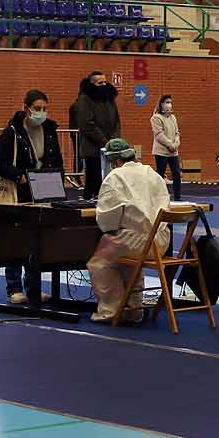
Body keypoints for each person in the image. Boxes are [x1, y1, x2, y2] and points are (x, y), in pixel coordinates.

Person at [0, 88, 64, 304]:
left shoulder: (50, 130)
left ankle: (34, 287)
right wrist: (18, 175)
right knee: (16, 240)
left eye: (45, 109)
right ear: (27, 109)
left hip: (43, 191)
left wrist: (58, 176)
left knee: (36, 242)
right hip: (18, 193)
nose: (41, 113)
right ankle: (14, 288)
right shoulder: (12, 132)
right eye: (37, 109)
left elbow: (57, 158)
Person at [86, 138, 172, 325]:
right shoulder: (152, 173)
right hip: (161, 243)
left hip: (137, 243)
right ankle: (134, 308)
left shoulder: (115, 177)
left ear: (115, 161)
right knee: (131, 261)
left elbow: (107, 222)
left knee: (100, 262)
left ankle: (111, 310)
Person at [70, 71, 121, 198]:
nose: (104, 85)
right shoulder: (84, 100)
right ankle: (89, 202)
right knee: (93, 179)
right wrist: (105, 142)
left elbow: (116, 121)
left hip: (109, 148)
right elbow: (86, 124)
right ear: (92, 84)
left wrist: (114, 140)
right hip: (92, 148)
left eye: (105, 82)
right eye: (100, 83)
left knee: (107, 180)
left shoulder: (109, 99)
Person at [150, 95, 182, 201]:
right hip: (161, 152)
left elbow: (177, 132)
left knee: (177, 174)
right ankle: (159, 197)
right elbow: (159, 135)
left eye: (170, 102)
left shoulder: (173, 117)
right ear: (161, 104)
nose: (169, 104)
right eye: (167, 102)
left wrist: (176, 143)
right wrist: (169, 144)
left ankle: (178, 197)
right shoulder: (156, 118)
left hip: (173, 152)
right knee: (160, 175)